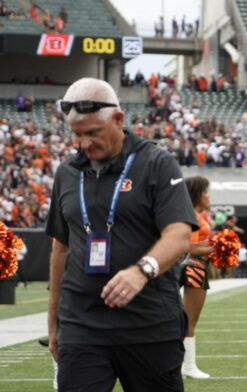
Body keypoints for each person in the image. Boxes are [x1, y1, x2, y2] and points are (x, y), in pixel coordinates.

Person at [46, 78, 198, 391]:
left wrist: (143, 271)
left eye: (93, 133)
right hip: (82, 325)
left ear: (118, 119)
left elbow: (179, 233)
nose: (85, 143)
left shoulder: (158, 163)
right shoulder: (67, 172)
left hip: (150, 326)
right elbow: (60, 249)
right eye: (77, 135)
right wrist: (53, 324)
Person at [179, 176, 214, 379]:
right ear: (197, 195)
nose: (208, 196)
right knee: (190, 320)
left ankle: (186, 365)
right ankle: (188, 366)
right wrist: (216, 248)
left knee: (188, 320)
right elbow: (188, 247)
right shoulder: (191, 215)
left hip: (197, 267)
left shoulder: (198, 215)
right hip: (193, 268)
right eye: (205, 192)